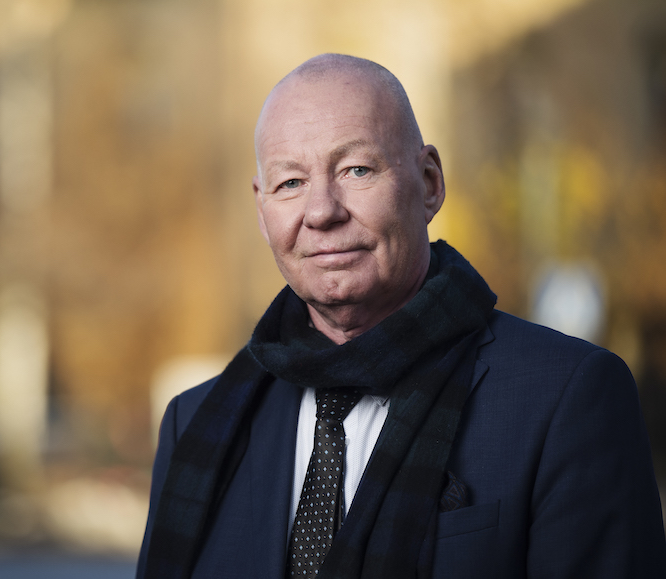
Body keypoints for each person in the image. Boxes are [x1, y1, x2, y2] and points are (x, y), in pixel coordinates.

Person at [136, 54, 666, 579]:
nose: (321, 212)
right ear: (261, 208)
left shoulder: (566, 399)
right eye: (290, 183)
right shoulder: (195, 424)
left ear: (430, 182)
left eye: (356, 169)